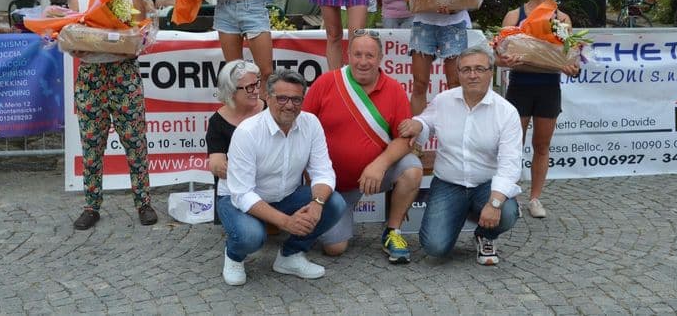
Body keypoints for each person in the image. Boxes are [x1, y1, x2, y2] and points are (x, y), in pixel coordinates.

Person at [302, 30, 423, 264]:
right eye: (357, 54)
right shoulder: (327, 82)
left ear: (380, 58)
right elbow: (302, 129)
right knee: (334, 248)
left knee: (412, 169)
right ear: (347, 56)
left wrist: (379, 165)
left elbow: (404, 139)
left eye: (370, 55)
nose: (363, 61)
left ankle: (392, 232)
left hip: (376, 176)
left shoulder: (395, 90)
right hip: (333, 186)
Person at [217, 70, 347, 286]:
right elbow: (241, 194)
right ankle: (234, 256)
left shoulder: (311, 123)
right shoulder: (247, 132)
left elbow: (323, 171)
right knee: (250, 236)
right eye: (282, 98)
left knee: (333, 204)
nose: (289, 105)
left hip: (286, 195)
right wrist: (287, 222)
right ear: (267, 98)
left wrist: (316, 204)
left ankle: (290, 255)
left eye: (296, 99)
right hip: (236, 201)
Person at [398, 45, 522, 266]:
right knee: (434, 247)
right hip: (449, 184)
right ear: (458, 73)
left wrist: (494, 203)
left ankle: (486, 234)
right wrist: (417, 124)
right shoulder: (444, 100)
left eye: (479, 69)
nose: (472, 75)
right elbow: (426, 122)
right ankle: (460, 212)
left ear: (490, 72)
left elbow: (510, 165)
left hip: (486, 184)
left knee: (507, 212)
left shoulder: (507, 112)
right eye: (466, 70)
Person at [67, 0, 157, 230]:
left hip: (124, 74)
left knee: (134, 141)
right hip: (91, 76)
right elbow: (70, 41)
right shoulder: (78, 1)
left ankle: (144, 202)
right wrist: (75, 48)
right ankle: (91, 205)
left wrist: (125, 43)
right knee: (91, 144)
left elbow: (139, 41)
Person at [498, 0, 579, 219]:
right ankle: (507, 194)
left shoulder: (560, 18)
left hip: (548, 88)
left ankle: (535, 198)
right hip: (520, 86)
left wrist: (569, 66)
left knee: (541, 145)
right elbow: (500, 55)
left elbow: (569, 58)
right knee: (513, 145)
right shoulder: (514, 16)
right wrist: (506, 60)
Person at [205, 60, 265, 224]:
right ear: (231, 91)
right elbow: (218, 167)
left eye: (257, 84)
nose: (256, 91)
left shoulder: (269, 110)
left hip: (270, 189)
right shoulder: (217, 122)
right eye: (248, 87)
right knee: (250, 234)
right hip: (234, 193)